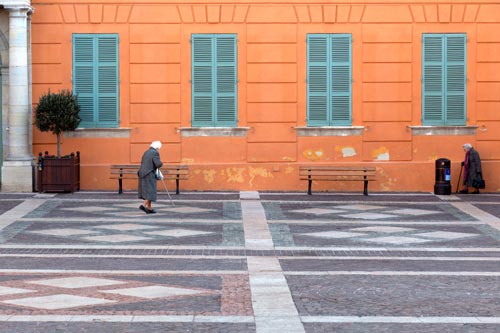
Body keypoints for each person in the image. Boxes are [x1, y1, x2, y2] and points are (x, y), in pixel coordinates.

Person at [138, 141, 163, 213]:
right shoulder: (155, 153)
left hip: (142, 173)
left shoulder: (146, 152)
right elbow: (158, 164)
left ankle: (149, 207)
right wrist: (161, 163)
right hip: (149, 174)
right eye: (159, 148)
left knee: (147, 190)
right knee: (150, 191)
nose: (159, 150)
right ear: (157, 147)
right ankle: (144, 205)